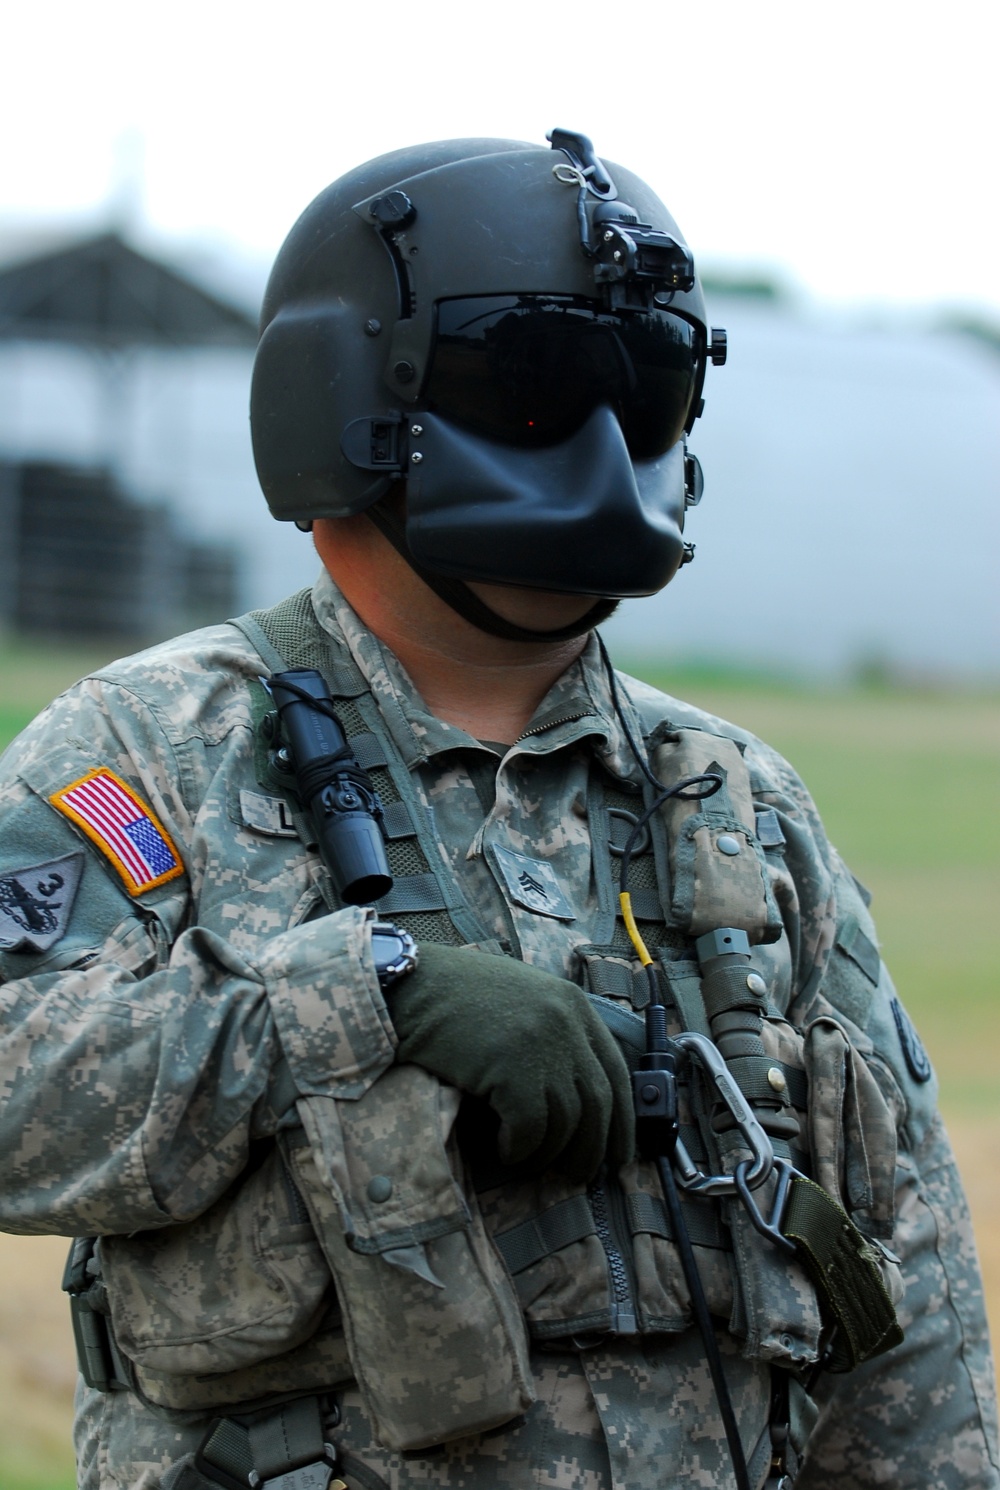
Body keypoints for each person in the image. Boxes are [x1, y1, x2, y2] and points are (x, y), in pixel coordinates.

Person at [0, 130, 996, 1490]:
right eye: (528, 389)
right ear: (348, 397)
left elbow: (909, 1290)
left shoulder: (742, 808)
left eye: (636, 393)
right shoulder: (151, 755)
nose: (589, 447)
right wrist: (365, 1004)